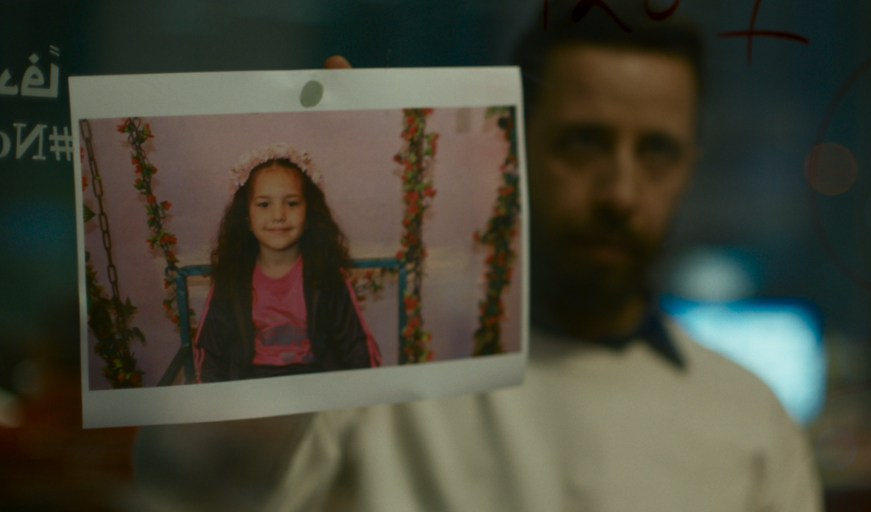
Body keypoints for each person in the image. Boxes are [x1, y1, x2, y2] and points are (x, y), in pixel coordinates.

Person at [136, 9, 823, 511]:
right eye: (584, 142)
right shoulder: (387, 379)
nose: (620, 191)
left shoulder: (751, 422)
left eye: (656, 151)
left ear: (690, 167)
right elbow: (190, 479)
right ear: (509, 149)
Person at [194, 143, 381, 382]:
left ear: (309, 214)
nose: (278, 215)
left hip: (317, 385)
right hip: (253, 388)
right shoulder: (231, 278)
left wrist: (359, 395)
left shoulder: (328, 275)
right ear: (246, 218)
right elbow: (210, 356)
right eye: (264, 204)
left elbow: (358, 348)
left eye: (291, 203)